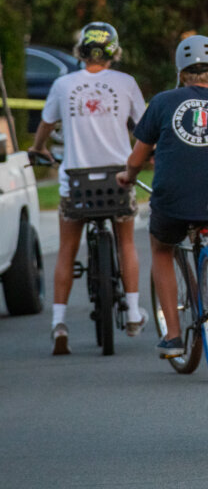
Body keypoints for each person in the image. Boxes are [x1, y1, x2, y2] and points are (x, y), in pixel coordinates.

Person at [117, 35, 208, 358]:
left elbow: (138, 156)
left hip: (172, 199)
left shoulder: (162, 102)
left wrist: (128, 176)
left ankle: (173, 337)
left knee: (162, 249)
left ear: (180, 72)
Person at [30, 22, 148, 355]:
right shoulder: (126, 83)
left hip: (75, 182)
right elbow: (145, 128)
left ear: (80, 51)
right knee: (126, 242)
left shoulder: (63, 84)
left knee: (67, 249)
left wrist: (38, 148)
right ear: (114, 52)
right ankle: (134, 312)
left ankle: (59, 323)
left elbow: (46, 125)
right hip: (118, 178)